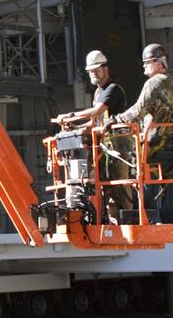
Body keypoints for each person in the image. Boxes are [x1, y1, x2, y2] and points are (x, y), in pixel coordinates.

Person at [112, 43, 173, 223]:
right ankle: (171, 221)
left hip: (157, 144)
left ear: (159, 63)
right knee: (172, 184)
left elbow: (138, 110)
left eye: (148, 62)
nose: (144, 66)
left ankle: (145, 220)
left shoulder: (153, 83)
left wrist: (115, 120)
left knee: (146, 184)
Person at [56, 51, 131, 218]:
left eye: (96, 70)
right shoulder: (98, 93)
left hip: (118, 145)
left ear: (106, 69)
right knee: (104, 185)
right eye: (90, 71)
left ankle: (129, 218)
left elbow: (97, 112)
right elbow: (95, 122)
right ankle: (110, 218)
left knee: (120, 183)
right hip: (104, 146)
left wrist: (71, 115)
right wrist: (75, 126)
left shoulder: (113, 89)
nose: (93, 74)